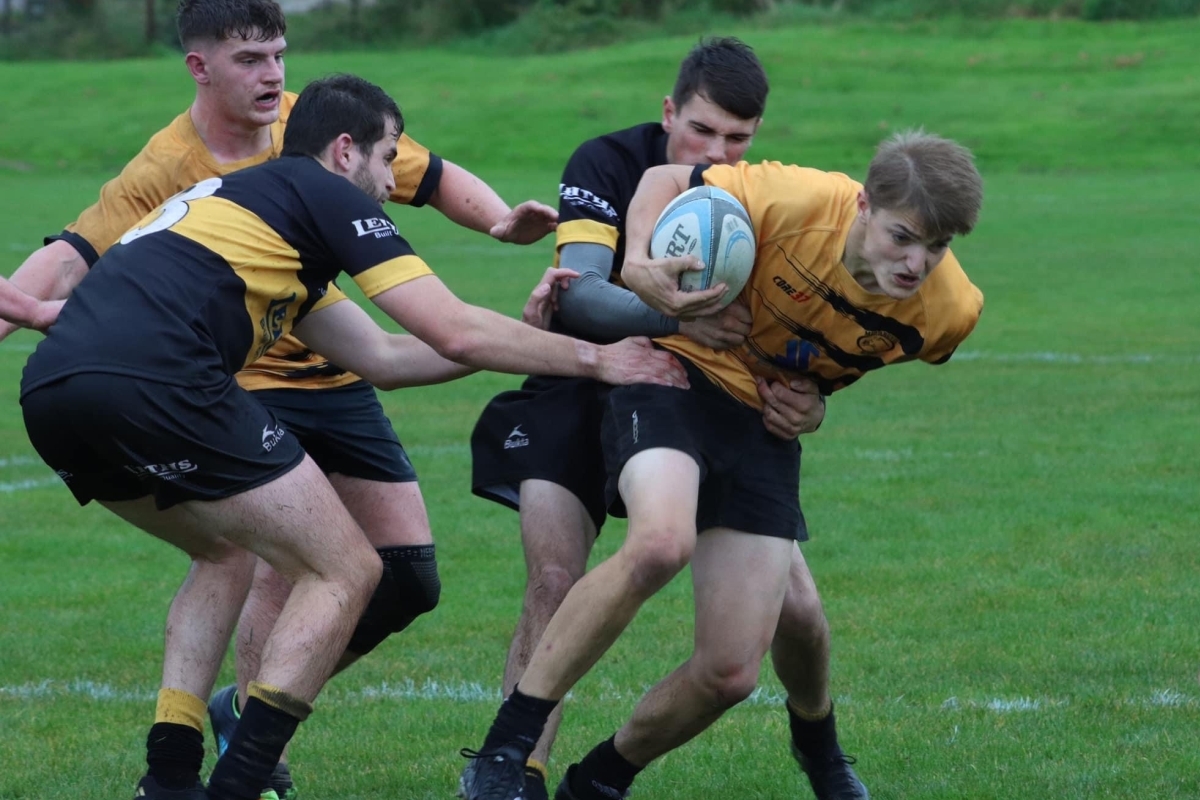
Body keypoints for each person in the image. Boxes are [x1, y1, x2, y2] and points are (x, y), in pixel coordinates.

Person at [18, 73, 687, 800]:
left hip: (53, 391)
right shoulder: (324, 194)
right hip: (160, 377)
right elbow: (451, 328)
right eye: (388, 156)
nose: (393, 180)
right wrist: (600, 358)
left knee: (221, 552)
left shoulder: (256, 217)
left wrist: (531, 336)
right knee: (347, 570)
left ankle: (171, 775)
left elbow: (387, 359)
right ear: (345, 151)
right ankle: (240, 783)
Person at [479, 129, 983, 800]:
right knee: (659, 543)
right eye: (903, 237)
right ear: (864, 205)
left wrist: (817, 407)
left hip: (760, 423)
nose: (917, 263)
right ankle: (505, 749)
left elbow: (843, 352)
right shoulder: (794, 200)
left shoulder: (950, 313)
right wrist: (640, 265)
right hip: (677, 376)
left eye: (937, 246)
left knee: (730, 673)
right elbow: (663, 179)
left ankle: (599, 780)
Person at [464, 38, 862, 800]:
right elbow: (580, 296)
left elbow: (806, 337)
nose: (716, 151)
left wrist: (813, 401)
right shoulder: (607, 163)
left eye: (737, 138)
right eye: (701, 130)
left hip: (692, 394)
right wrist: (674, 318)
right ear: (669, 111)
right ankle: (517, 774)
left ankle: (819, 743)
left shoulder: (760, 197)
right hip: (580, 378)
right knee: (554, 576)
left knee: (801, 612)